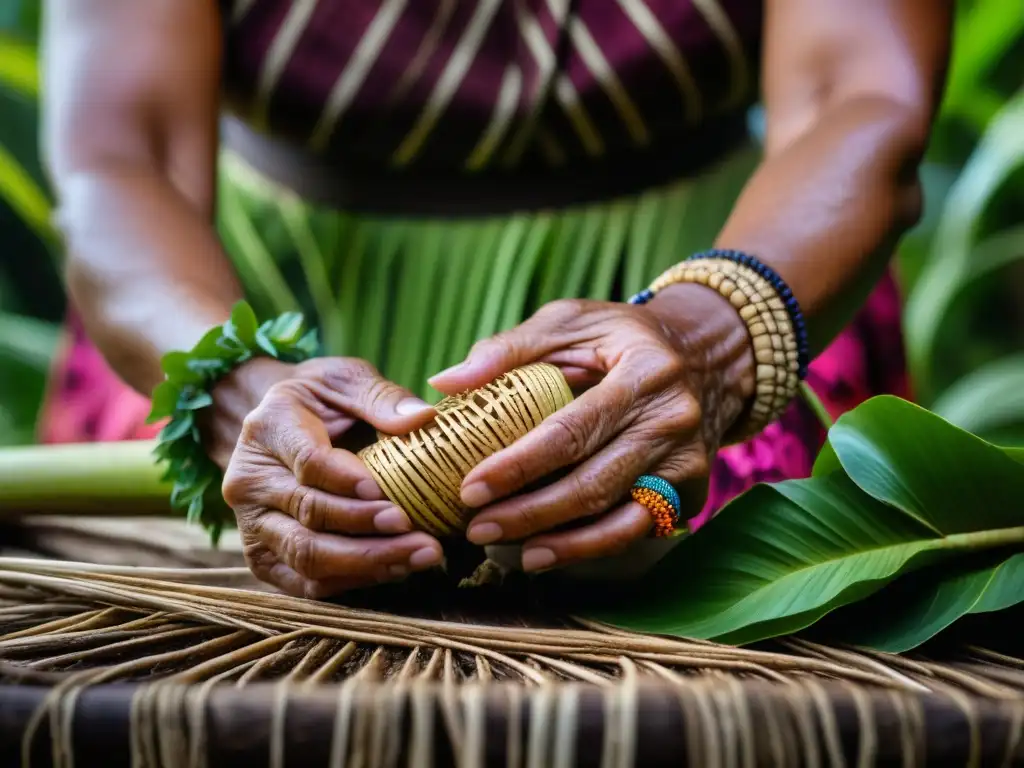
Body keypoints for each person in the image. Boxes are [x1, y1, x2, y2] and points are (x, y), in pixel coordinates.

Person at [39, 0, 949, 597]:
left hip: (721, 308)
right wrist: (232, 385)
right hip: (231, 307)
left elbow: (857, 90)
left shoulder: (709, 345)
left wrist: (711, 341)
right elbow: (124, 150)